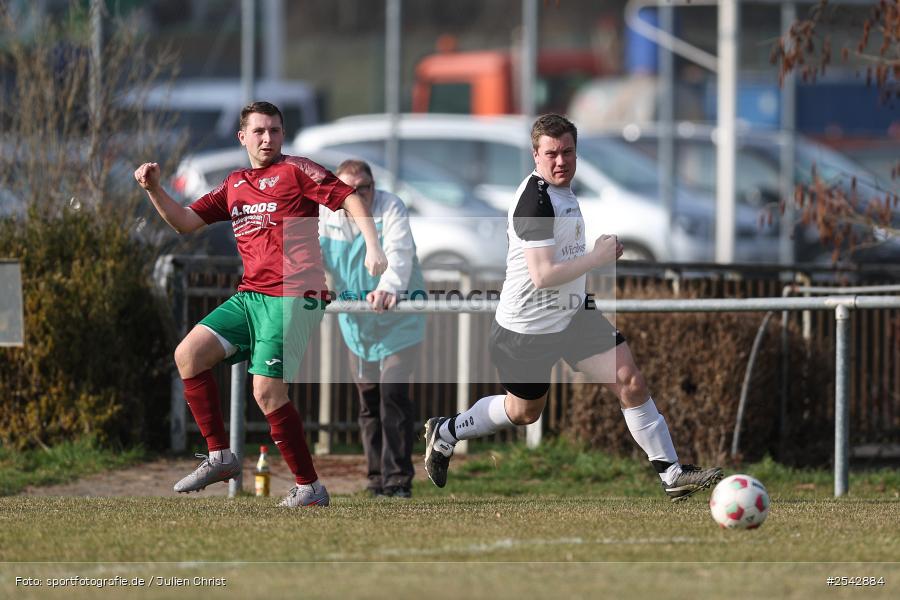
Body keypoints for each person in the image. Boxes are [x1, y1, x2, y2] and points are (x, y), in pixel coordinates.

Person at [423, 114, 722, 501]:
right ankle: (447, 431)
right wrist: (597, 257)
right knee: (524, 413)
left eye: (567, 152)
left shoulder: (562, 189)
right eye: (551, 154)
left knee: (629, 379)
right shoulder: (535, 201)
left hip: (572, 313)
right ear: (535, 155)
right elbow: (543, 275)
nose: (560, 161)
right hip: (526, 330)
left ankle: (672, 474)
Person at [134, 101, 387, 507]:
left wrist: (373, 246)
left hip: (295, 293)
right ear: (243, 137)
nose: (268, 138)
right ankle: (220, 456)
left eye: (274, 130)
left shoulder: (297, 170)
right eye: (259, 131)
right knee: (188, 356)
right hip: (251, 295)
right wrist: (153, 190)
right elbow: (183, 221)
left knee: (267, 391)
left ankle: (310, 487)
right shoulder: (234, 184)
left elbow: (349, 198)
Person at [319, 160, 425, 499]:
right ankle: (376, 479)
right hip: (357, 323)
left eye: (363, 187)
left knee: (392, 393)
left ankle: (398, 480)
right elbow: (313, 258)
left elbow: (399, 253)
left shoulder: (391, 207)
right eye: (347, 189)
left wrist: (389, 287)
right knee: (368, 400)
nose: (356, 195)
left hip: (399, 318)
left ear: (374, 187)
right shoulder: (327, 216)